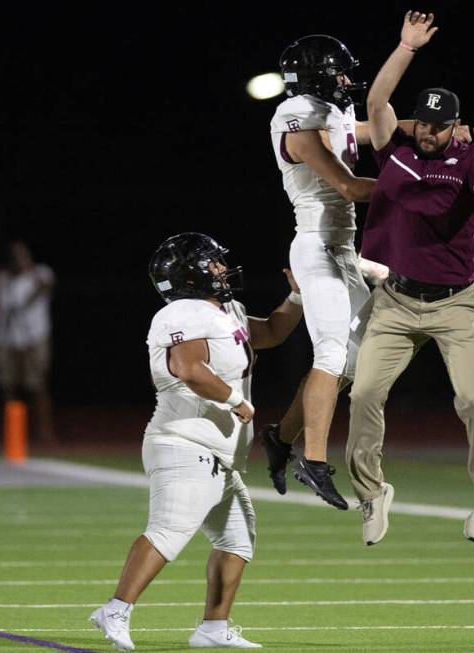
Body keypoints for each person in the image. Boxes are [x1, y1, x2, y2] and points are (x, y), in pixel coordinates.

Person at [262, 33, 468, 508]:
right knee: (332, 354)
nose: (344, 78)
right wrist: (422, 184)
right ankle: (313, 461)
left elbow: (368, 129)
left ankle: (281, 436)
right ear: (315, 77)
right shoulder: (296, 121)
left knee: (358, 360)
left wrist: (437, 127)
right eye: (336, 71)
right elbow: (349, 186)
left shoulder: (328, 114)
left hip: (342, 249)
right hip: (315, 245)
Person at [89, 232, 303, 650]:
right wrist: (236, 399)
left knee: (237, 539)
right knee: (169, 529)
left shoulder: (228, 311)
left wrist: (295, 298)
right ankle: (115, 608)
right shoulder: (182, 312)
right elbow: (189, 367)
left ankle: (213, 628)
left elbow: (273, 332)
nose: (222, 269)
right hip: (184, 442)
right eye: (212, 263)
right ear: (190, 275)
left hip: (216, 451)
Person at [345, 11, 474, 546]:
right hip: (395, 299)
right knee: (364, 392)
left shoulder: (467, 158)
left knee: (471, 400)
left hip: (456, 304)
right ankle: (372, 493)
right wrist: (405, 48)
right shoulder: (399, 148)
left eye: (442, 125)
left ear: (455, 123)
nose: (433, 132)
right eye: (426, 123)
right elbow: (375, 104)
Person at [0, 240, 57, 444]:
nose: (17, 259)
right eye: (13, 255)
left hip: (34, 337)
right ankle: (14, 434)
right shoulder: (2, 279)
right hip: (6, 338)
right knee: (8, 387)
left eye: (21, 254)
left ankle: (45, 433)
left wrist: (27, 268)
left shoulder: (41, 273)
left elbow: (44, 288)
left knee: (37, 386)